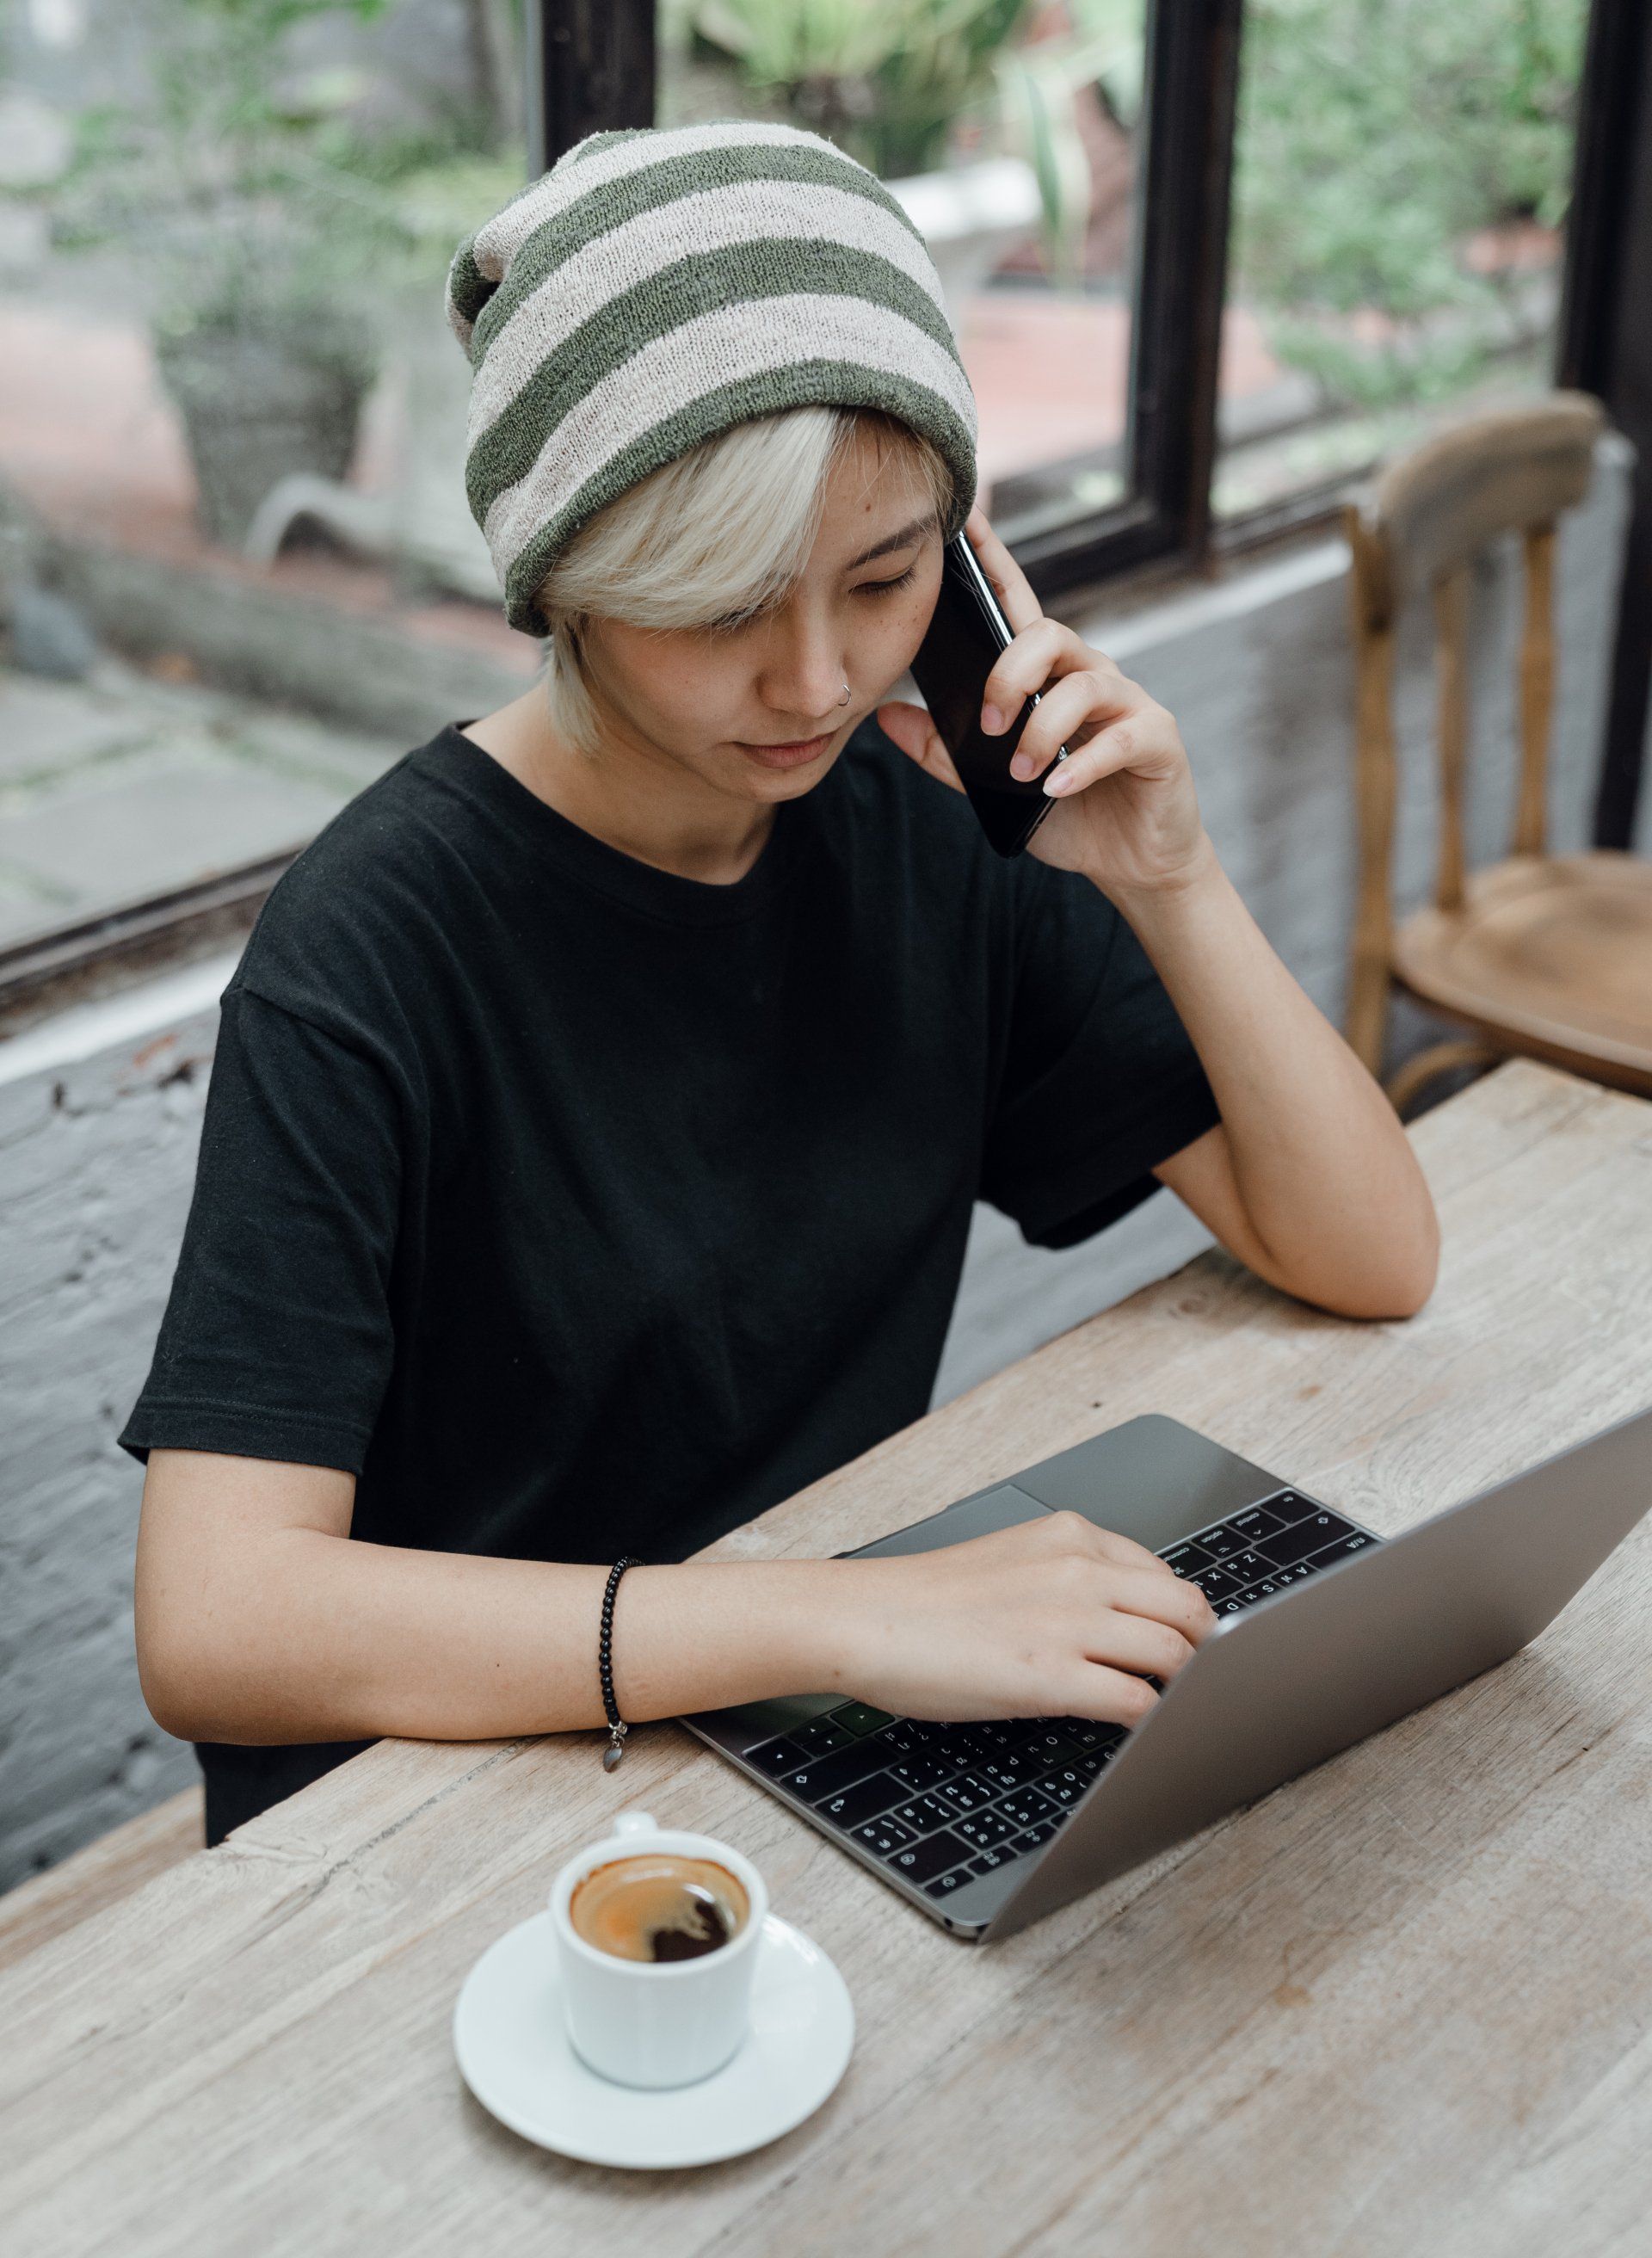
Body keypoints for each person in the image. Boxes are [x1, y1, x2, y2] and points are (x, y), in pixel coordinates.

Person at [122, 121, 1439, 1848]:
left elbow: (1373, 1253)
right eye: (724, 600)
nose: (813, 677)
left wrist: (1169, 880)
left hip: (805, 1738)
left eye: (888, 581)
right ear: (570, 574)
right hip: (460, 1803)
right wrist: (837, 1617)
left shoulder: (930, 827)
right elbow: (216, 1629)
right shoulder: (374, 943)